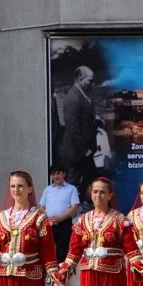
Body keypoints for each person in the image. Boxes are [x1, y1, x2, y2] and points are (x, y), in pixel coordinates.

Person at [58, 65, 98, 201]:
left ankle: (83, 208)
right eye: (90, 81)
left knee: (89, 180)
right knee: (74, 182)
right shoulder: (73, 98)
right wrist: (84, 150)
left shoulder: (80, 94)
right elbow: (72, 128)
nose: (93, 84)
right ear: (80, 79)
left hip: (82, 152)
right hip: (77, 153)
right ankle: (68, 213)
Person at [39, 164, 80, 264]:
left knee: (62, 250)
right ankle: (49, 272)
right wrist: (48, 218)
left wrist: (60, 218)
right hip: (49, 223)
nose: (56, 176)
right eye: (53, 174)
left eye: (58, 173)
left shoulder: (71, 189)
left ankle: (60, 275)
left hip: (64, 223)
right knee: (47, 248)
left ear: (64, 174)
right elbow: (41, 206)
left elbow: (75, 206)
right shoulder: (47, 189)